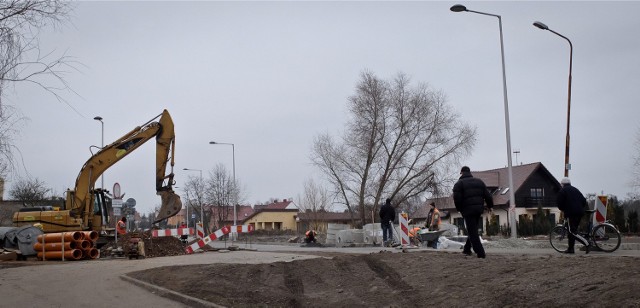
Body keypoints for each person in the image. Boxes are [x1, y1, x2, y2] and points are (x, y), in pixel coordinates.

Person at [453, 166, 493, 258]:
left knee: (472, 232)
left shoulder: (459, 184)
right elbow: (488, 195)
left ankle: (480, 253)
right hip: (479, 209)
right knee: (473, 230)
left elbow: (457, 199)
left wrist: (459, 209)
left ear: (461, 173)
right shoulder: (479, 182)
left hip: (467, 210)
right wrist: (490, 206)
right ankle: (467, 249)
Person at [556, 177, 588, 254]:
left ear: (562, 184)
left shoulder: (562, 191)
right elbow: (584, 201)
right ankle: (571, 249)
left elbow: (559, 203)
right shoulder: (576, 189)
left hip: (571, 214)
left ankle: (587, 243)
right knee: (572, 231)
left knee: (572, 231)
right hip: (579, 213)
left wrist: (564, 209)